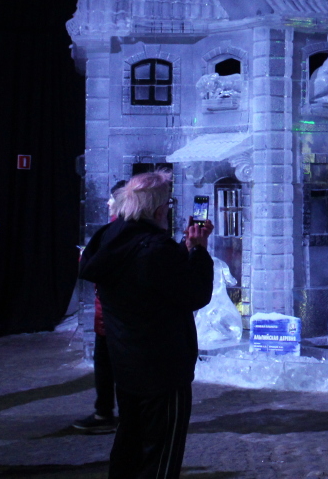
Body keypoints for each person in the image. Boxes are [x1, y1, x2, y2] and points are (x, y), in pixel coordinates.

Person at [78, 171, 213, 479]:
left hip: (127, 364)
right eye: (167, 202)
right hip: (162, 369)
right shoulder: (155, 249)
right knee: (160, 454)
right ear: (157, 209)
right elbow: (195, 293)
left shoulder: (109, 238)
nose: (168, 208)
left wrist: (183, 250)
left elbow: (149, 280)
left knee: (129, 443)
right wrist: (199, 251)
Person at [72, 181, 126, 435]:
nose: (107, 203)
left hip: (114, 315)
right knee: (107, 364)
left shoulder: (114, 232)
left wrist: (87, 258)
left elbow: (92, 269)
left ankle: (109, 414)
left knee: (112, 366)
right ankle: (107, 412)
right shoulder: (118, 231)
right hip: (108, 313)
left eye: (113, 198)